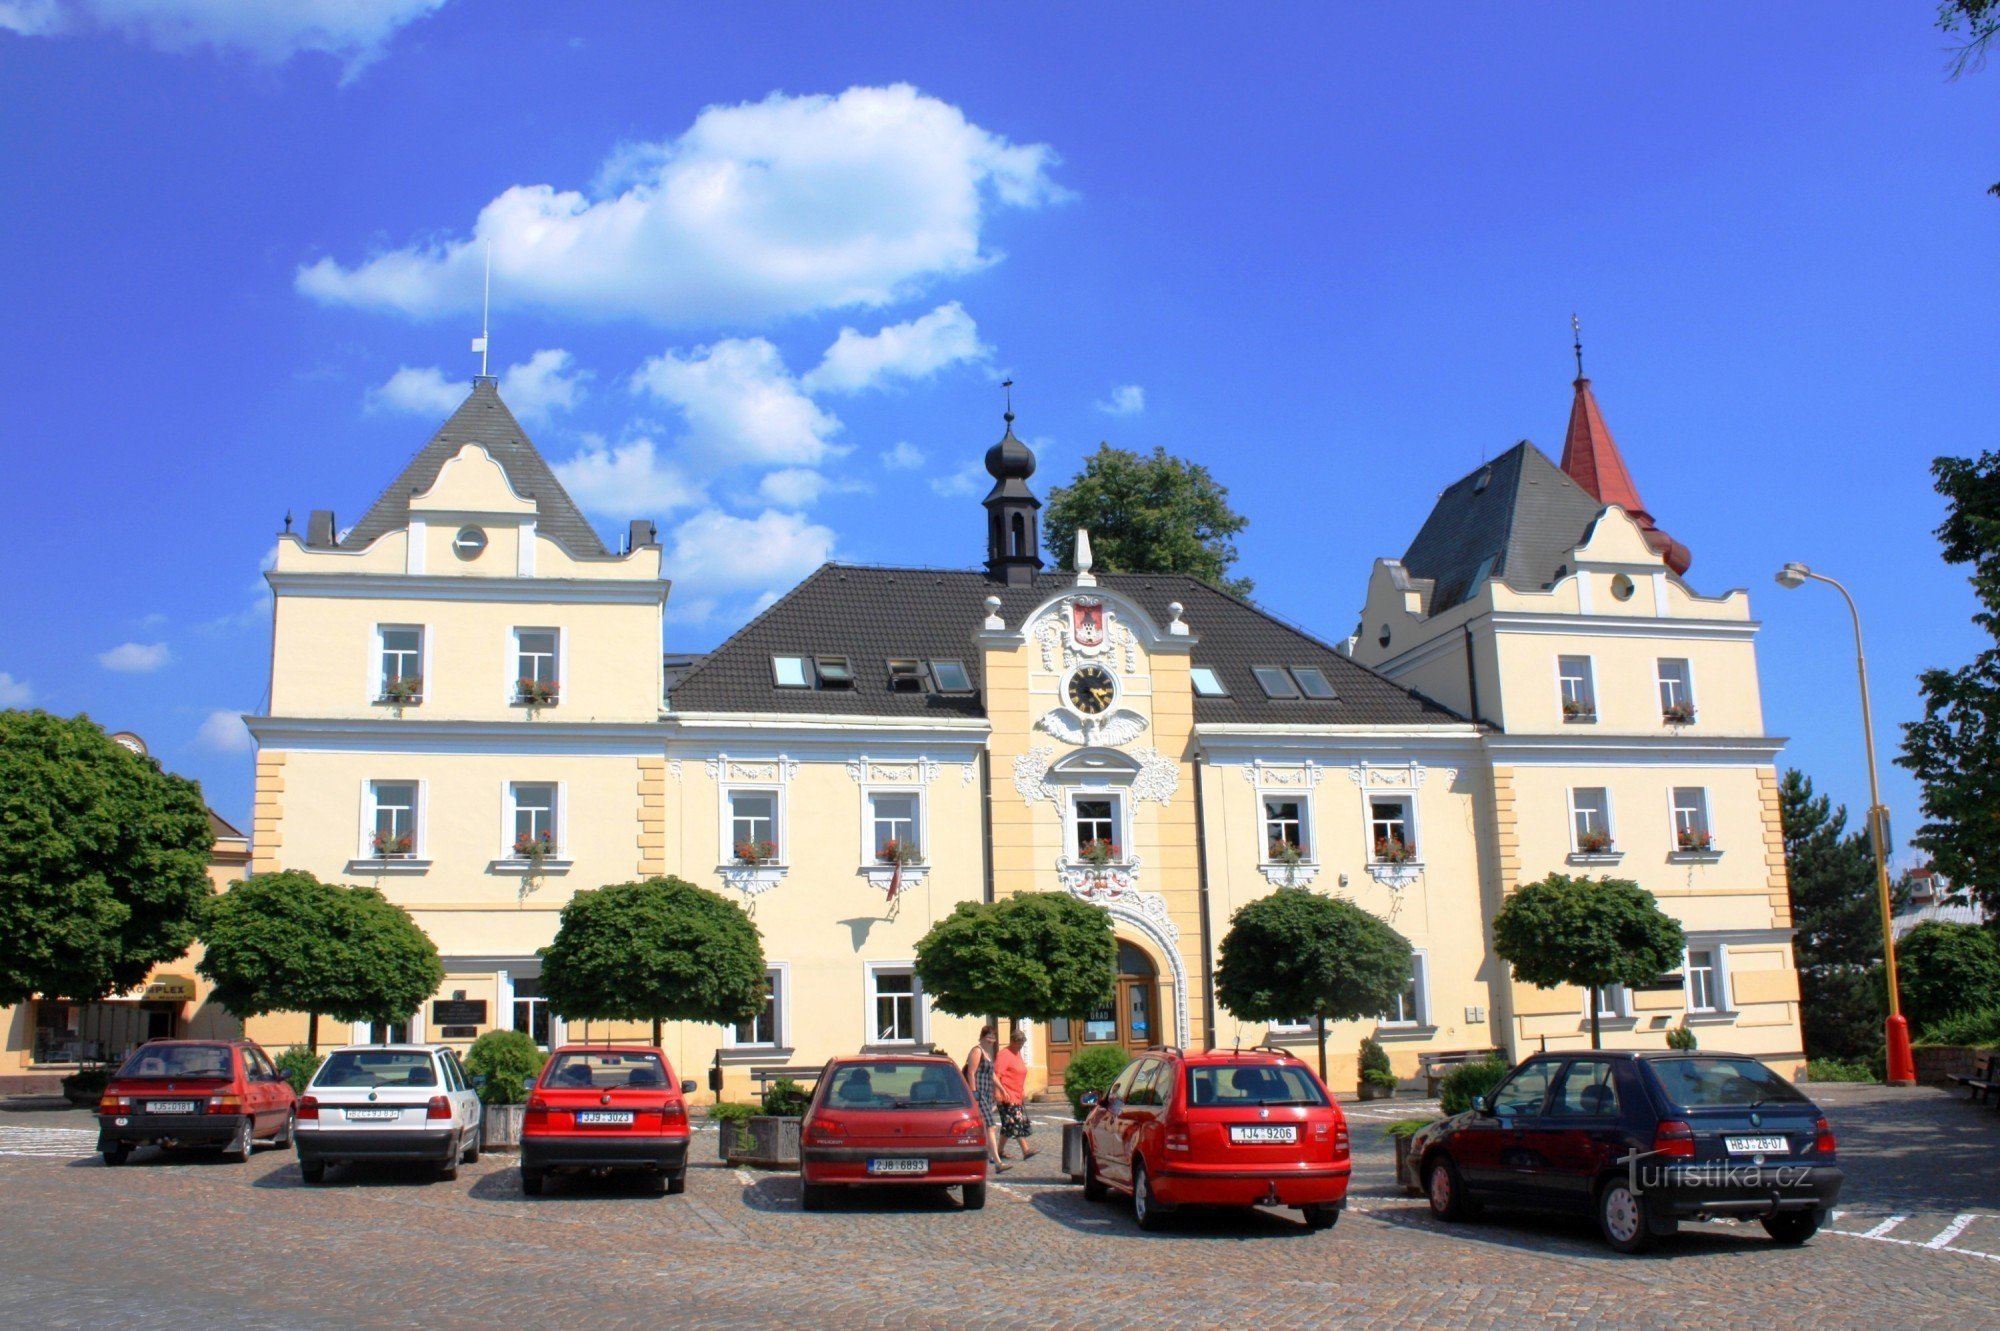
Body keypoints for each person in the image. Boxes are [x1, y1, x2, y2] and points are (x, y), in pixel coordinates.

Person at [962, 1025, 1004, 1170]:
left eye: (993, 1037)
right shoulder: (977, 1051)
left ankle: (986, 1156)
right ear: (983, 1037)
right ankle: (997, 1162)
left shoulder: (987, 1053)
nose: (992, 1040)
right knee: (990, 1126)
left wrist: (1001, 1088)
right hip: (979, 1094)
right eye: (989, 1037)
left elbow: (992, 1074)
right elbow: (971, 1073)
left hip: (986, 1094)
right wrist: (974, 1094)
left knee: (985, 1127)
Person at [993, 1026, 1037, 1161]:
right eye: (1018, 1043)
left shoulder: (1017, 1054)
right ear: (1012, 1041)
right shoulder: (1004, 1054)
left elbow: (1019, 1073)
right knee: (1016, 1121)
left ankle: (999, 1152)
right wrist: (998, 1094)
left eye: (1022, 1044)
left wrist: (1021, 1092)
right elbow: (996, 1075)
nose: (1020, 1047)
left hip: (1016, 1095)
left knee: (1008, 1126)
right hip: (1006, 1095)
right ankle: (1026, 1150)